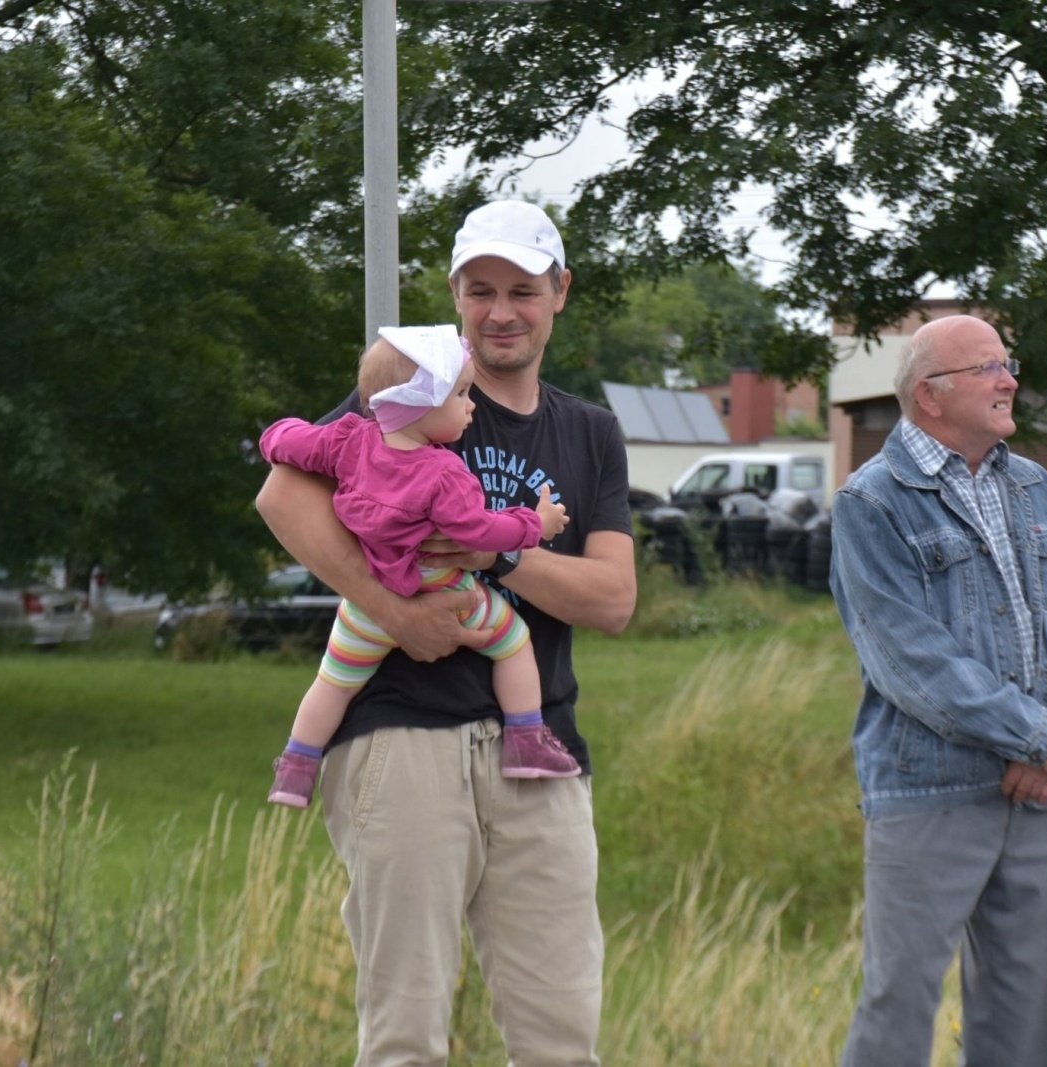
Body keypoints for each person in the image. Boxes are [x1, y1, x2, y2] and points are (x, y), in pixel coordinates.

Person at [255, 199, 636, 1066]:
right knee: (405, 1036)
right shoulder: (406, 390)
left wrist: (489, 557)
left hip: (539, 751)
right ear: (455, 296)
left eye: (522, 291)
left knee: (560, 1036)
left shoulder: (590, 431)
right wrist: (394, 611)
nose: (500, 310)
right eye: (479, 290)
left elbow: (613, 599)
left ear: (560, 293)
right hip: (400, 734)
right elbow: (282, 493)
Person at [828, 313, 1047, 1067]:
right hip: (929, 794)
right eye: (988, 367)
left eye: (1007, 363)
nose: (1009, 379)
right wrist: (1035, 735)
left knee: (1027, 1009)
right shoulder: (873, 501)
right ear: (930, 394)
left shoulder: (1038, 488)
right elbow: (910, 658)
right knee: (900, 1004)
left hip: (1038, 797)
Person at [258, 323, 580, 809]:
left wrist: (275, 434)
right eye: (461, 393)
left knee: (333, 682)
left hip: (368, 606)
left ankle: (296, 767)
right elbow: (481, 533)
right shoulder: (445, 474)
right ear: (422, 405)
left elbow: (290, 442)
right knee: (514, 642)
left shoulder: (350, 441)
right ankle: (526, 740)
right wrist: (535, 523)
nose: (471, 405)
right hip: (440, 590)